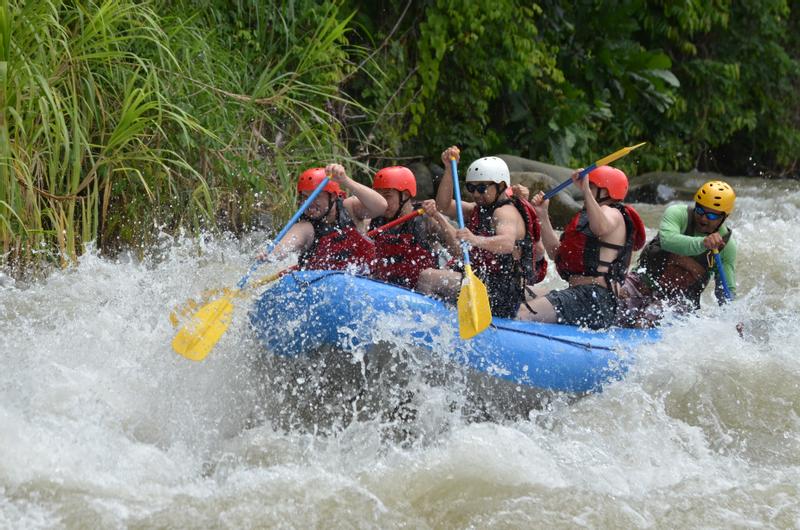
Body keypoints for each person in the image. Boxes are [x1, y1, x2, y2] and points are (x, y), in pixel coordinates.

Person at [416, 146, 546, 318]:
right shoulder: (480, 209)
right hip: (487, 282)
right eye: (471, 188)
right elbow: (443, 206)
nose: (476, 194)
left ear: (500, 186)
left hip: (500, 292)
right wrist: (448, 169)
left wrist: (474, 239)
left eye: (482, 188)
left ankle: (424, 321)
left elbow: (506, 244)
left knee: (427, 277)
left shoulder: (505, 212)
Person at [516, 166, 646, 329]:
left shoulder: (613, 213)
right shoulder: (587, 217)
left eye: (591, 186)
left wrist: (585, 189)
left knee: (522, 313)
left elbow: (601, 227)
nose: (587, 191)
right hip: (579, 293)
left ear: (605, 192)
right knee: (514, 293)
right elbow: (556, 253)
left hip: (595, 299)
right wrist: (542, 214)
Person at [617, 180, 737, 327]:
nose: (703, 218)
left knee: (645, 321)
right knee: (613, 299)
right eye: (700, 210)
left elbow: (726, 291)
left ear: (724, 217)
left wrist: (732, 319)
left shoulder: (727, 245)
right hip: (642, 282)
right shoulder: (677, 214)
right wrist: (702, 243)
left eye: (711, 216)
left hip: (679, 302)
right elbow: (668, 241)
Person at [257, 164, 387, 271]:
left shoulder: (350, 208)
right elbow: (288, 243)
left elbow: (381, 206)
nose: (309, 203)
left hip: (363, 280)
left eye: (316, 196)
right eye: (305, 197)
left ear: (333, 197)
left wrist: (345, 181)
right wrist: (270, 254)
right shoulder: (305, 227)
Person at [367, 166, 446, 289]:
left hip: (420, 294)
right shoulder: (374, 221)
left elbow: (458, 250)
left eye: (387, 196)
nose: (382, 202)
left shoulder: (426, 220)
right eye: (378, 196)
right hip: (386, 290)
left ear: (405, 195)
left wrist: (438, 216)